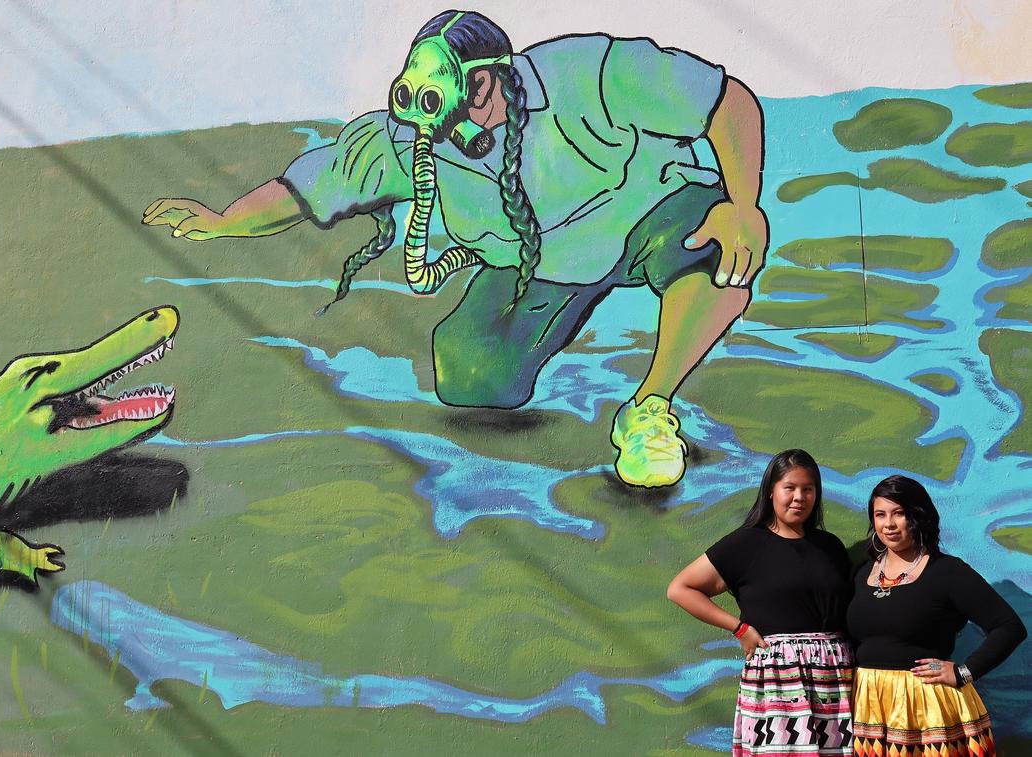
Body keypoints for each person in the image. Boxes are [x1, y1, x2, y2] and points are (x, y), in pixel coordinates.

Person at [142, 9, 768, 490]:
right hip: (539, 262)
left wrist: (744, 204)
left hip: (643, 210)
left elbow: (725, 102)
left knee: (719, 251)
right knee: (471, 376)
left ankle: (649, 408)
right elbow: (312, 184)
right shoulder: (411, 139)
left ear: (488, 82)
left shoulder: (587, 70)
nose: (427, 116)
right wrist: (223, 221)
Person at [667, 449, 854, 756]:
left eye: (808, 489)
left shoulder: (830, 546)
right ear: (771, 492)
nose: (799, 497)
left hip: (834, 680)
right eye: (789, 488)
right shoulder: (746, 544)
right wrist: (739, 628)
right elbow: (680, 588)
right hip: (779, 680)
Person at [847, 475, 1026, 757]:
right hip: (869, 706)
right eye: (880, 515)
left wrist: (964, 672)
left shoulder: (947, 572)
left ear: (918, 517)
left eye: (899, 513)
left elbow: (1009, 627)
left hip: (928, 710)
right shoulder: (861, 573)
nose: (889, 524)